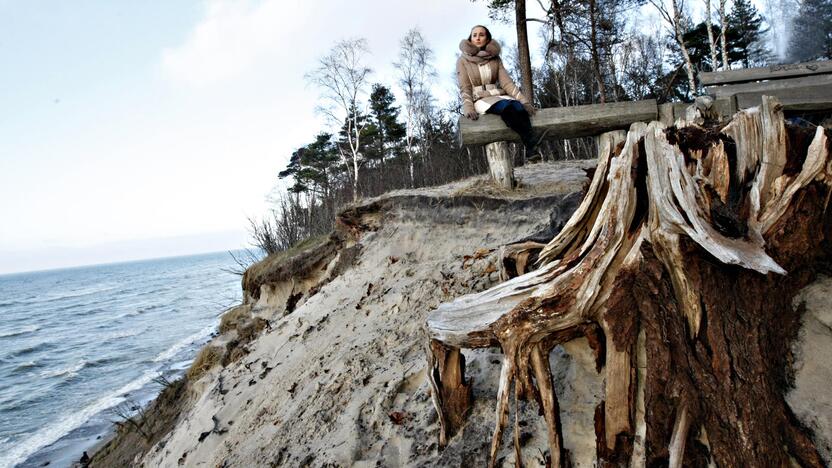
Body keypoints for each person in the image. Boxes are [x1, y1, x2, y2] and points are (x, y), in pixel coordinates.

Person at [457, 25, 540, 160]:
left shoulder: (495, 58)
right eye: (475, 35)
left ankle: (531, 151)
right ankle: (531, 143)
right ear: (470, 39)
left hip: (498, 94)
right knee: (507, 108)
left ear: (487, 38)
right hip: (480, 99)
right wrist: (468, 107)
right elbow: (465, 87)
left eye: (481, 35)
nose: (478, 37)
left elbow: (507, 83)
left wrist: (524, 101)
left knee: (519, 108)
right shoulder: (462, 60)